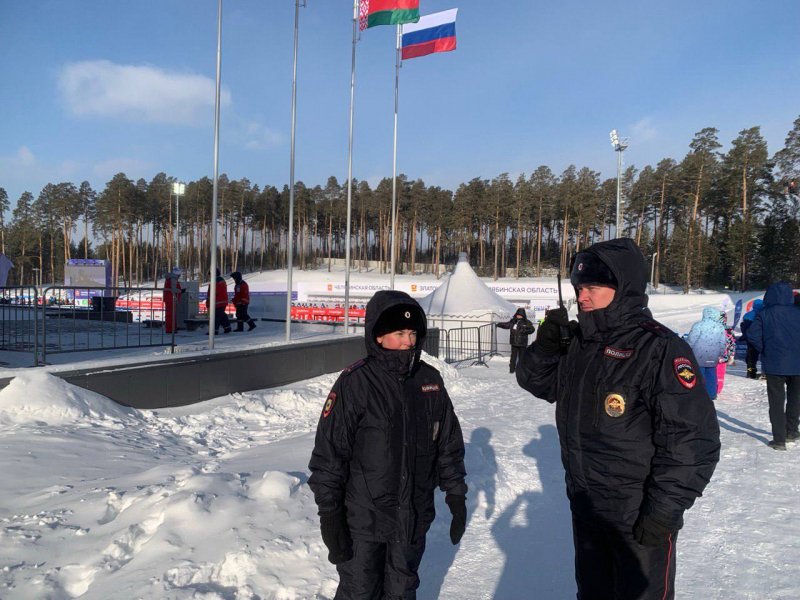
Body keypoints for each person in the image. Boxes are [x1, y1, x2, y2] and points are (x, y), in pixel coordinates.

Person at [516, 238, 720, 600]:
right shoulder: (581, 344)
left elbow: (692, 440)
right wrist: (546, 347)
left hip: (639, 513)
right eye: (579, 288)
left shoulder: (658, 348)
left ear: (622, 287)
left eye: (592, 287)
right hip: (587, 506)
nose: (582, 297)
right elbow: (538, 382)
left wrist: (663, 511)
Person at [308, 290, 467, 599]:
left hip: (411, 518)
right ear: (379, 337)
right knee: (360, 591)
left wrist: (456, 495)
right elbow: (330, 455)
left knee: (402, 590)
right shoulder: (356, 383)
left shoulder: (429, 381)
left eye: (411, 332)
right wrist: (330, 515)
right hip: (364, 522)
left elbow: (447, 444)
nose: (408, 340)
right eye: (399, 333)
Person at [745, 281, 800, 450]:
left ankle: (779, 440)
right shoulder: (798, 313)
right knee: (795, 399)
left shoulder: (764, 314)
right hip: (797, 364)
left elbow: (752, 335)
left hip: (774, 364)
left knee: (776, 401)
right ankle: (792, 431)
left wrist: (765, 349)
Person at [686, 307, 728, 400]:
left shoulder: (698, 325)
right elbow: (722, 342)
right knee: (711, 375)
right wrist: (720, 353)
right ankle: (711, 394)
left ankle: (698, 394)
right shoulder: (720, 327)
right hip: (713, 355)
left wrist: (687, 350)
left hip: (698, 355)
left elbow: (691, 340)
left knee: (699, 374)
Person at [496, 308, 536, 373]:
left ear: (523, 315)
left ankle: (521, 370)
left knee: (522, 357)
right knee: (513, 357)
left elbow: (532, 329)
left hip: (522, 343)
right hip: (514, 342)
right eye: (518, 315)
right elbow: (506, 325)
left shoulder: (527, 322)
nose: (519, 316)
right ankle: (512, 369)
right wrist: (499, 324)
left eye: (520, 315)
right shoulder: (513, 321)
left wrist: (524, 331)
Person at [740, 298, 764, 378]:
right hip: (761, 339)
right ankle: (765, 372)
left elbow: (744, 327)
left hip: (750, 340)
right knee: (765, 356)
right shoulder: (763, 315)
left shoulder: (747, 315)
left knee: (751, 358)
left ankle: (750, 372)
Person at [716, 311, 737, 395]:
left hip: (710, 355)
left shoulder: (712, 327)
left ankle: (710, 388)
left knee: (710, 372)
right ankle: (718, 389)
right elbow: (732, 344)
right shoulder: (728, 330)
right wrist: (732, 355)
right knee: (720, 374)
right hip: (723, 356)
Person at [207, 269, 231, 334]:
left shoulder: (214, 281)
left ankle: (214, 331)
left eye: (210, 275)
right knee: (221, 315)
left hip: (217, 302)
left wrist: (208, 302)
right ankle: (227, 327)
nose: (209, 277)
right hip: (222, 301)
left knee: (215, 317)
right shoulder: (221, 280)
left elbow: (211, 293)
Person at [162, 268, 182, 334]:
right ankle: (171, 329)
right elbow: (173, 289)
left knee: (169, 314)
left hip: (168, 298)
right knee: (171, 315)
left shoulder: (169, 278)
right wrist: (180, 290)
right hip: (171, 299)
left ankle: (170, 328)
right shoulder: (173, 279)